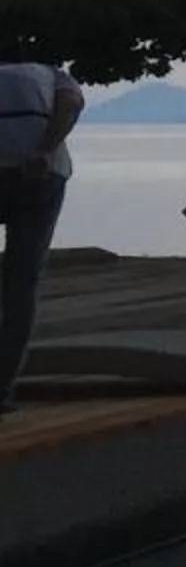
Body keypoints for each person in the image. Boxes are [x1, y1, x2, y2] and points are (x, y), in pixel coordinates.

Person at [0, 48, 84, 411]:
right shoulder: (52, 74)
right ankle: (1, 389)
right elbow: (70, 105)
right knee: (22, 279)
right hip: (42, 176)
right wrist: (44, 150)